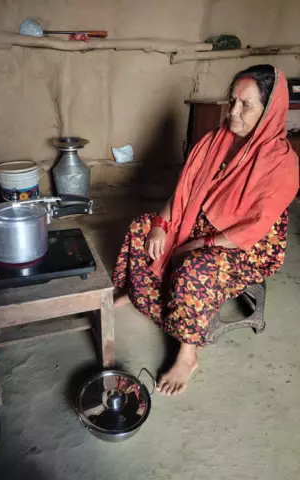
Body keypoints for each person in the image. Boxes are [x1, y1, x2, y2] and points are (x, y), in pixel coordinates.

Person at [112, 64, 299, 396]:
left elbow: (253, 229)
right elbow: (182, 191)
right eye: (233, 101)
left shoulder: (281, 162)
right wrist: (160, 225)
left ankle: (187, 354)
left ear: (269, 112)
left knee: (196, 268)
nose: (233, 112)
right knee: (141, 229)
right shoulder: (215, 141)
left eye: (246, 105)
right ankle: (143, 294)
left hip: (244, 245)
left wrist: (197, 243)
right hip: (197, 224)